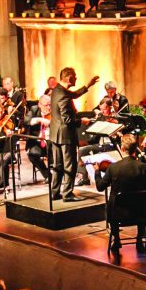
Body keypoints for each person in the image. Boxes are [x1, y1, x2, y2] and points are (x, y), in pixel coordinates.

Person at [48, 66, 99, 202]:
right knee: (69, 165)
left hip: (55, 134)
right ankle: (67, 193)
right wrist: (81, 121)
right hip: (65, 135)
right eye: (75, 76)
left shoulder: (57, 90)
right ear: (70, 78)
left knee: (58, 165)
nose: (76, 78)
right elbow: (67, 119)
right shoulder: (63, 95)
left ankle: (54, 192)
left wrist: (88, 85)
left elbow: (74, 95)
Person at [96, 135, 146, 254]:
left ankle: (116, 239)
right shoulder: (143, 167)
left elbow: (100, 187)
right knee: (141, 200)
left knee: (112, 201)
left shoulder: (113, 167)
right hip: (140, 213)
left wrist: (97, 171)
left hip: (119, 213)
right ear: (135, 148)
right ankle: (139, 240)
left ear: (122, 149)